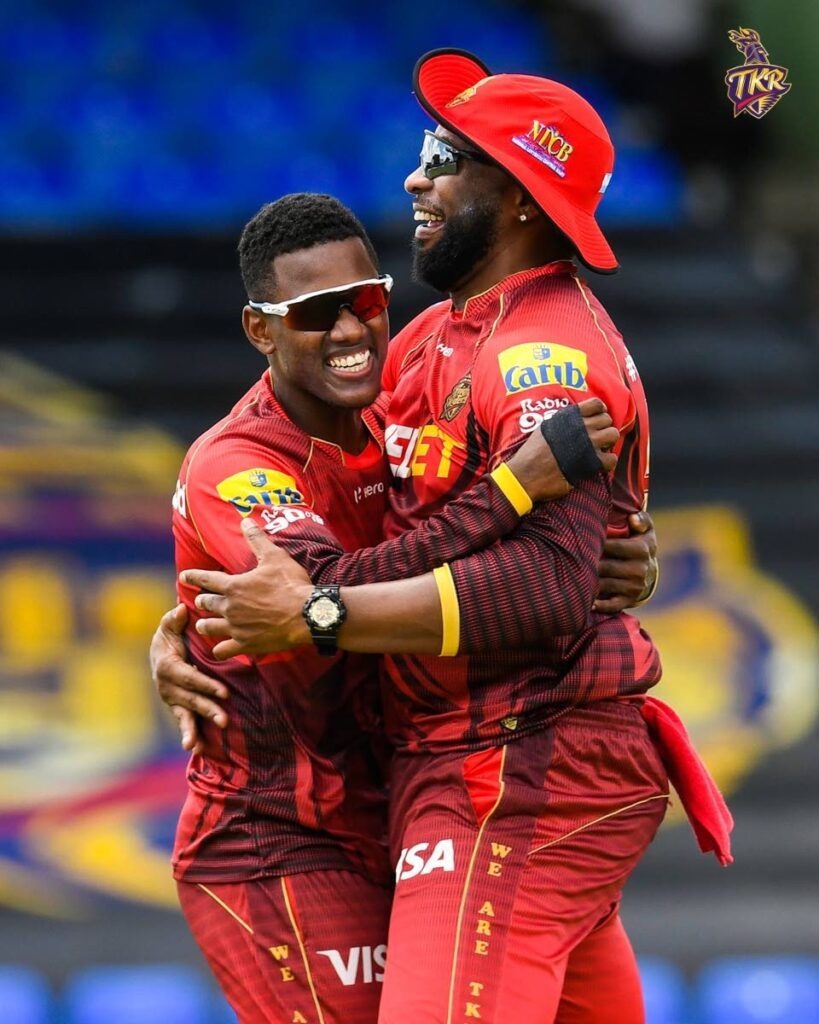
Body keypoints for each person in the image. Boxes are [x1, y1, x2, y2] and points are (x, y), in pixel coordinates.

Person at [161, 50, 734, 1024]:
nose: (413, 178)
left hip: (510, 765)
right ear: (259, 331)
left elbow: (545, 583)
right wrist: (198, 610)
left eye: (442, 155)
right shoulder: (426, 346)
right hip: (373, 794)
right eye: (313, 314)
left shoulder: (537, 354)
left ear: (515, 195)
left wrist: (318, 613)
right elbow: (339, 566)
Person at [165, 191, 627, 1024]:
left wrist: (616, 549)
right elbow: (330, 591)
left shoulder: (395, 413)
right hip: (280, 839)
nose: (348, 332)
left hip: (402, 809)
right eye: (313, 315)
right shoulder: (235, 465)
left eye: (365, 303)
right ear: (259, 331)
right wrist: (513, 486)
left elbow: (453, 563)